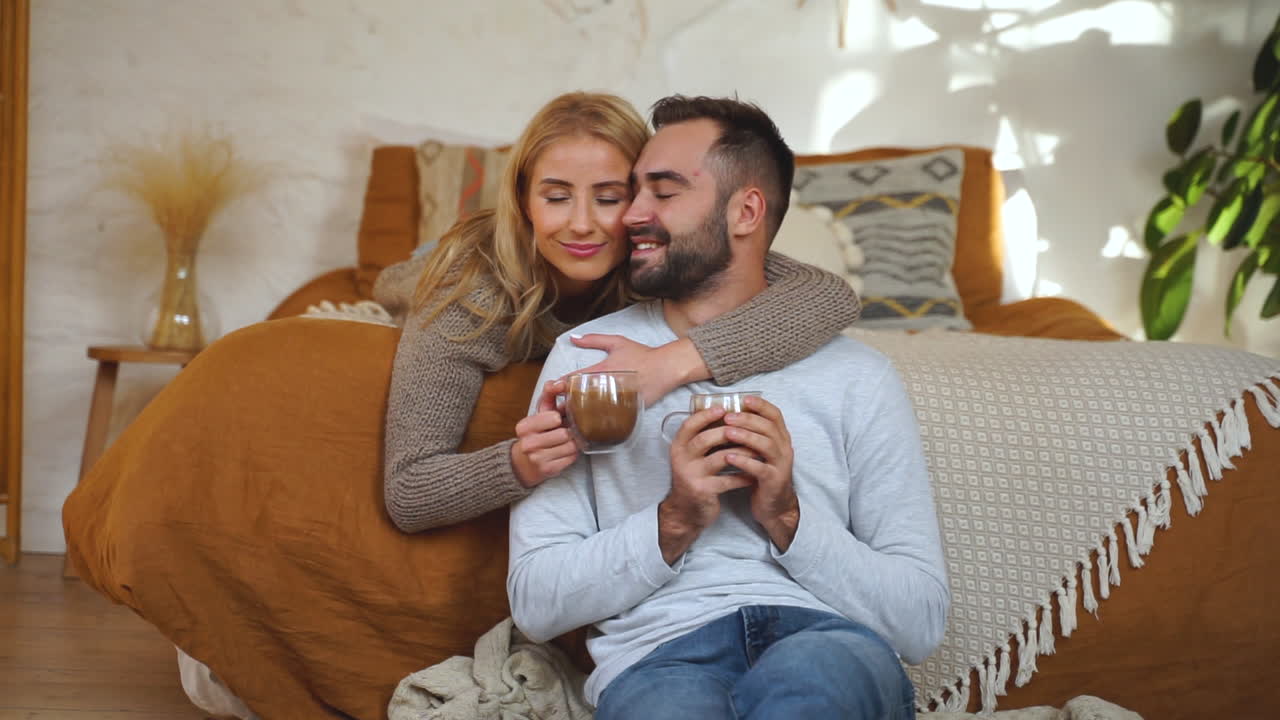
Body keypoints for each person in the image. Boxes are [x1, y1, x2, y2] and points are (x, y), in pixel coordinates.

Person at [507, 95, 949, 719]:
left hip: (826, 639)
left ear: (746, 211)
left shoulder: (858, 377)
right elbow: (535, 602)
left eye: (663, 192)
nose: (630, 215)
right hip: (659, 657)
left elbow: (920, 622)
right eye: (633, 192)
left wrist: (787, 514)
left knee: (812, 684)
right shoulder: (586, 361)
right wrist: (675, 520)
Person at [377, 91, 862, 533]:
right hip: (430, 270)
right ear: (524, 203)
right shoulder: (469, 295)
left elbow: (829, 294)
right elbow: (408, 492)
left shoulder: (652, 252)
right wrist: (519, 463)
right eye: (556, 197)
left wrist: (669, 363)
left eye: (609, 198)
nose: (582, 224)